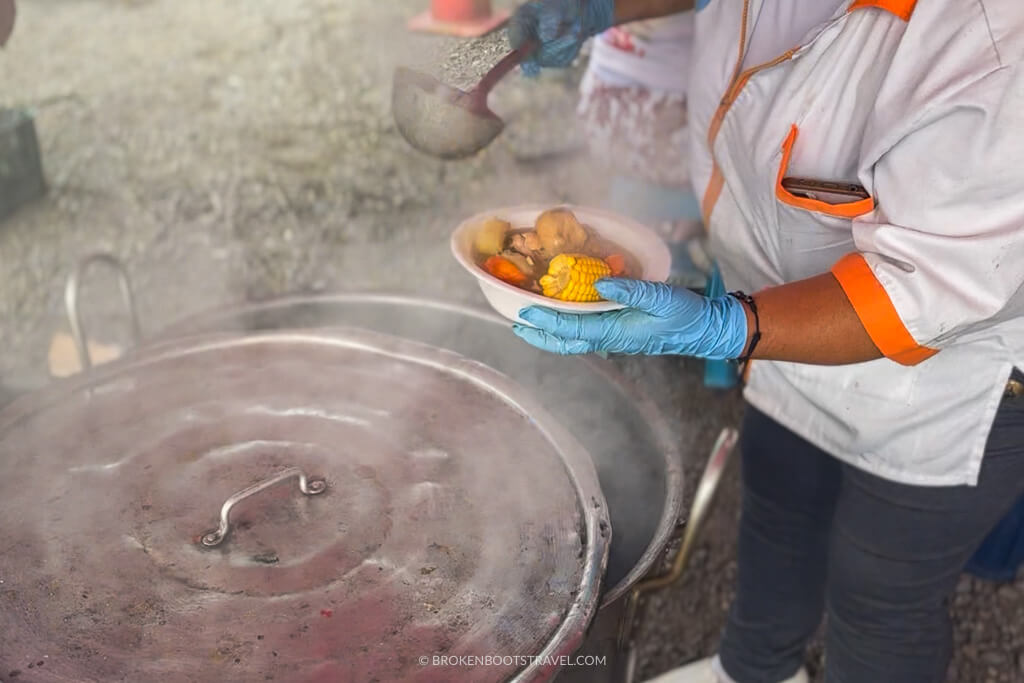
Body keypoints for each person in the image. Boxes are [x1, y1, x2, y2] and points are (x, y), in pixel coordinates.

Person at [507, 1, 1024, 682]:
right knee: (778, 508)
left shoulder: (991, 39)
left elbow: (925, 284)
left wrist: (725, 326)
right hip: (779, 324)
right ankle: (754, 671)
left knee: (879, 592)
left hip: (939, 383)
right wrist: (606, 8)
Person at [576, 10, 710, 288]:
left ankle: (676, 251)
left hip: (672, 100)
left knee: (685, 196)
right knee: (638, 194)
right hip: (619, 92)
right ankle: (669, 254)